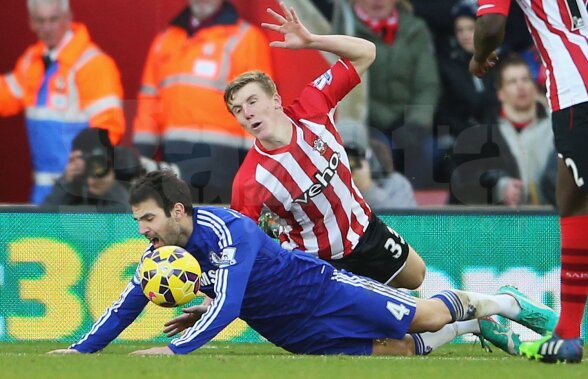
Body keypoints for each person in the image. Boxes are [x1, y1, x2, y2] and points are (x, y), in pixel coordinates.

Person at [47, 169, 557, 356]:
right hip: (288, 331)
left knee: (423, 315)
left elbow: (226, 304)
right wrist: (80, 350)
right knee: (400, 354)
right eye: (139, 222)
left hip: (322, 291)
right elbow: (126, 303)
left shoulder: (232, 230)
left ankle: (506, 303)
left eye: (148, 219)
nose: (144, 231)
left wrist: (177, 348)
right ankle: (476, 327)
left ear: (178, 211)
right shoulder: (162, 255)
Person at [226, 2, 426, 290]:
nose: (247, 113)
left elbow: (367, 53)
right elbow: (239, 245)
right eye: (238, 110)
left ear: (275, 100)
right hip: (317, 263)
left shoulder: (312, 105)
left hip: (364, 230)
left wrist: (312, 41)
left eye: (252, 101)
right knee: (371, 332)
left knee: (417, 277)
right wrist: (213, 300)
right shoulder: (249, 180)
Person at [470, 0, 588, 363]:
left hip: (577, 89)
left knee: (575, 201)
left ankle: (568, 334)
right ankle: (566, 333)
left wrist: (478, 58)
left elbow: (490, 26)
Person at [132, 0, 273, 204]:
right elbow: (149, 102)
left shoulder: (246, 39)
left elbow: (258, 106)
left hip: (224, 166)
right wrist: (142, 156)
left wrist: (257, 167)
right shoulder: (164, 41)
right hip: (173, 158)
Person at [0, 0, 125, 205]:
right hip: (44, 190)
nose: (47, 28)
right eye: (40, 21)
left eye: (53, 19)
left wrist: (91, 166)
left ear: (68, 18)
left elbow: (108, 126)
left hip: (81, 192)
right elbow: (6, 95)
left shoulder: (92, 64)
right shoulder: (32, 60)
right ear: (31, 22)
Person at [338, 0, 441, 188]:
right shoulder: (345, 29)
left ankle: (416, 212)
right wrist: (390, 121)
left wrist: (417, 123)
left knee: (429, 152)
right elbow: (349, 85)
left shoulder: (416, 29)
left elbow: (427, 84)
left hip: (409, 120)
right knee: (379, 156)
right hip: (367, 122)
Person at [450, 55, 556, 206]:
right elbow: (464, 180)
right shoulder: (483, 135)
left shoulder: (556, 126)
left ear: (533, 86)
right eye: (512, 82)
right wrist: (498, 186)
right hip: (505, 222)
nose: (521, 86)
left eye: (525, 79)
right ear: (500, 93)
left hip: (554, 218)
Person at [41, 128, 133, 212]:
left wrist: (109, 188)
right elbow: (43, 221)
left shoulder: (116, 186)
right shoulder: (70, 184)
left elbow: (129, 221)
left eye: (100, 161)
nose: (94, 166)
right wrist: (66, 183)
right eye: (89, 159)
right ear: (75, 159)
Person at [337, 119, 417, 210]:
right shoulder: (323, 183)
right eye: (344, 158)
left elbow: (401, 222)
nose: (350, 164)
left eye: (355, 158)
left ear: (368, 156)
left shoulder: (396, 184)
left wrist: (367, 188)